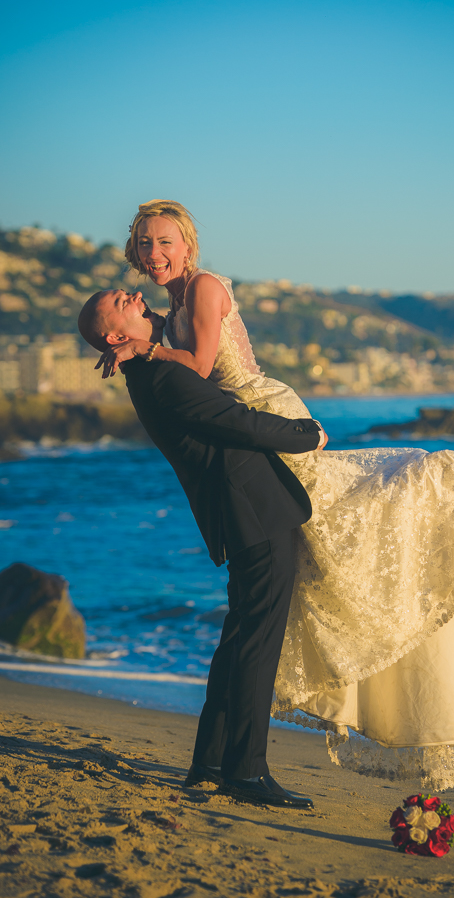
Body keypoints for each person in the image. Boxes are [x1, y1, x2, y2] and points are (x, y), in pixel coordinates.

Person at [95, 199, 454, 792]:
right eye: (144, 244)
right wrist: (140, 346)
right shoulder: (164, 327)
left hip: (266, 420)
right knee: (265, 619)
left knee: (356, 524)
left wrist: (141, 347)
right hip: (253, 472)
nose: (153, 254)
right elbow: (197, 383)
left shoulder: (198, 295)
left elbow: (199, 371)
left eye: (163, 241)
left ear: (187, 245)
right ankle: (235, 768)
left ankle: (220, 763)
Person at [78, 289, 327, 809]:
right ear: (116, 336)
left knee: (239, 640)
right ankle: (246, 771)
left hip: (240, 516)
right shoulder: (163, 377)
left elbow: (184, 331)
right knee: (257, 644)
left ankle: (210, 762)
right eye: (123, 301)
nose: (135, 294)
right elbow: (235, 421)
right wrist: (305, 435)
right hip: (255, 515)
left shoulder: (148, 372)